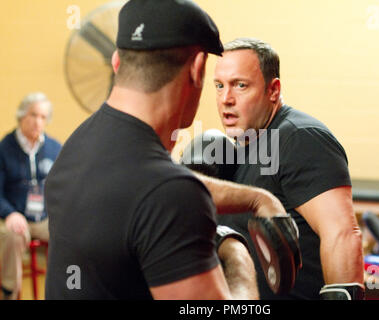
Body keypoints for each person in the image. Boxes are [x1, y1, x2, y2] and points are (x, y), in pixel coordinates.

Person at [45, 0, 287, 300]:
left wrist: (255, 198)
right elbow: (164, 192)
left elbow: (142, 186)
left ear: (117, 62)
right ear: (198, 70)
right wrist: (236, 252)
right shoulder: (170, 195)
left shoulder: (77, 146)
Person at [213, 37, 364, 300]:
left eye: (240, 85)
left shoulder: (301, 138)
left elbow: (341, 232)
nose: (226, 98)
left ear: (273, 90)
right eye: (219, 86)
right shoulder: (237, 149)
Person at [0, 92, 61, 300]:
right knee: (13, 236)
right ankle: (9, 292)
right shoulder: (4, 148)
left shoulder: (54, 148)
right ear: (21, 116)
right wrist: (9, 214)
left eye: (43, 117)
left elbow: (63, 186)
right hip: (15, 216)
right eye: (33, 115)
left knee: (70, 232)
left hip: (44, 217)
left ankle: (67, 289)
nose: (38, 122)